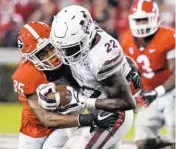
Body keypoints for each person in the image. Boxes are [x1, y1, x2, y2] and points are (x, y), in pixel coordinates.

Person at [12, 21, 129, 149]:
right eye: (42, 54)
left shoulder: (71, 53)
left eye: (51, 47)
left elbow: (104, 61)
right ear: (31, 58)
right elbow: (46, 118)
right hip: (37, 124)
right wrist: (90, 119)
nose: (51, 55)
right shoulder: (26, 75)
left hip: (68, 118)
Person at [47, 5, 140, 149]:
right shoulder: (84, 37)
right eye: (61, 48)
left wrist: (82, 101)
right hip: (96, 107)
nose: (64, 54)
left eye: (70, 48)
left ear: (86, 36)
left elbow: (126, 102)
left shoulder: (101, 57)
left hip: (113, 115)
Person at [120, 0, 175, 149]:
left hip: (172, 93)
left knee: (174, 130)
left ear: (156, 18)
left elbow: (175, 74)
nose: (142, 24)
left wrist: (158, 92)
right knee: (142, 142)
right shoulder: (126, 40)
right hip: (151, 96)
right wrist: (135, 92)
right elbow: (128, 73)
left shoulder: (169, 36)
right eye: (138, 20)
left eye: (145, 19)